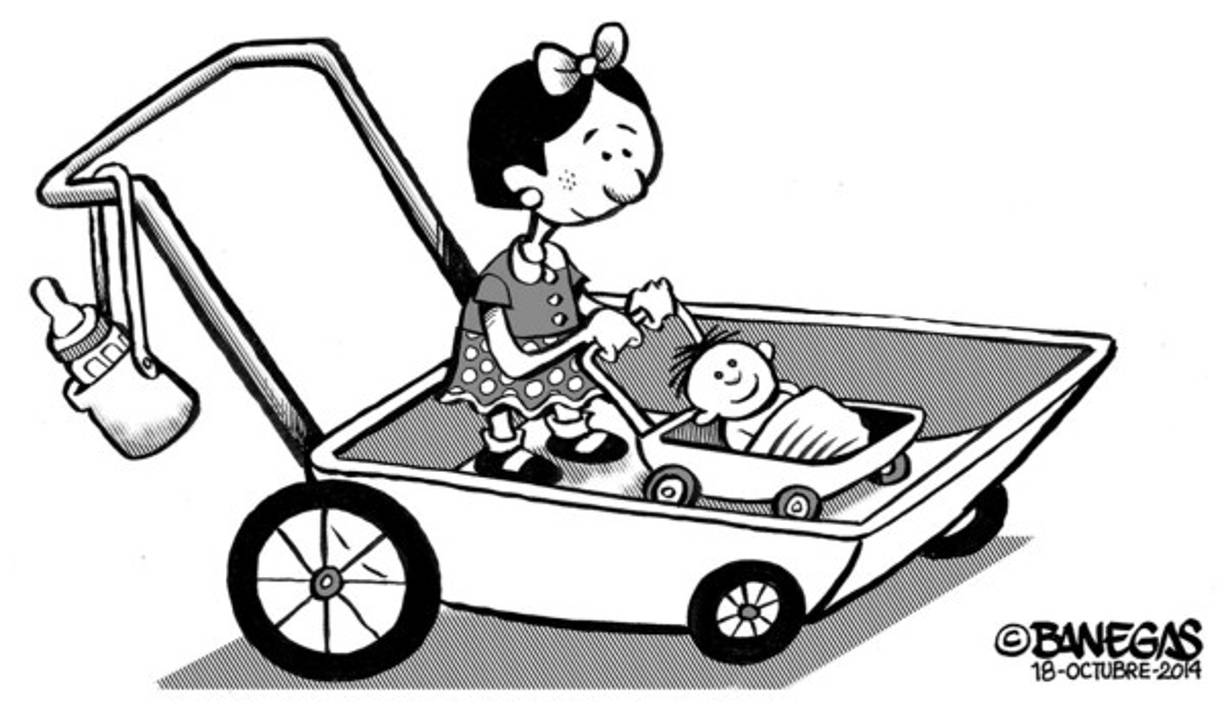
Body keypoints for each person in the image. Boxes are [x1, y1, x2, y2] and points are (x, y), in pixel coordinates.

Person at [441, 23, 672, 485]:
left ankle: (567, 430)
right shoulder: (500, 280)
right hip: (505, 360)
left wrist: (627, 310)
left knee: (566, 382)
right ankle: (502, 449)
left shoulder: (556, 260)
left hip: (551, 346)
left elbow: (580, 299)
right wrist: (588, 331)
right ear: (525, 184)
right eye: (602, 155)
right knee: (506, 399)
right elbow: (511, 362)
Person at [669, 329, 870, 459]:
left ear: (764, 354)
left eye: (733, 363)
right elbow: (759, 455)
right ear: (708, 414)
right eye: (718, 376)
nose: (733, 377)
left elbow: (803, 404)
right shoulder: (736, 430)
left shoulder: (784, 390)